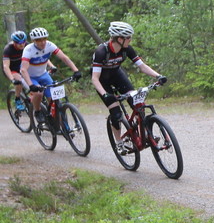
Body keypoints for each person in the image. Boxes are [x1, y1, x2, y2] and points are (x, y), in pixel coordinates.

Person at [91, 21, 166, 149]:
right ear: (119, 39)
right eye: (128, 37)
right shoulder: (101, 51)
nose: (130, 40)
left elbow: (142, 66)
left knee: (137, 104)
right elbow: (95, 79)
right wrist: (105, 94)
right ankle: (119, 142)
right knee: (115, 113)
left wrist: (158, 76)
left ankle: (142, 133)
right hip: (102, 82)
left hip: (117, 76)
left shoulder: (127, 49)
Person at [20, 27, 82, 124]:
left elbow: (64, 58)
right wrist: (31, 85)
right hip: (30, 76)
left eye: (44, 39)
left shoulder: (49, 45)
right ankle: (37, 111)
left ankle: (58, 124)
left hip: (43, 74)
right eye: (39, 40)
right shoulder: (28, 50)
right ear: (33, 41)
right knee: (38, 93)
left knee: (54, 99)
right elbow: (23, 70)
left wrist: (76, 70)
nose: (43, 42)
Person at [3, 30, 28, 111]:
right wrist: (12, 79)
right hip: (11, 70)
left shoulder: (27, 45)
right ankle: (17, 99)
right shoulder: (8, 49)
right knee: (19, 81)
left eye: (23, 42)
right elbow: (6, 66)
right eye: (19, 43)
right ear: (14, 42)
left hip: (22, 67)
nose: (22, 44)